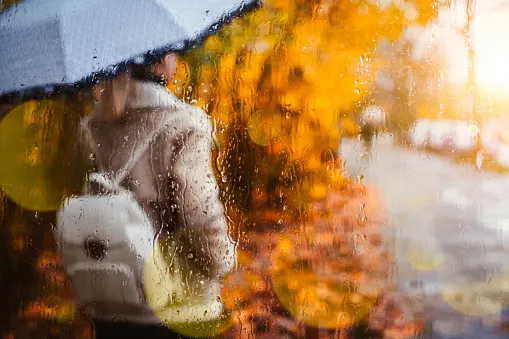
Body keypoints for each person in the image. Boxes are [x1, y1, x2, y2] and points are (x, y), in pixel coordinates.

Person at [80, 53, 236, 338]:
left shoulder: (93, 126)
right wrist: (221, 262)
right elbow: (198, 211)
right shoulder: (184, 123)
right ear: (159, 61)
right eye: (173, 52)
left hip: (110, 297)